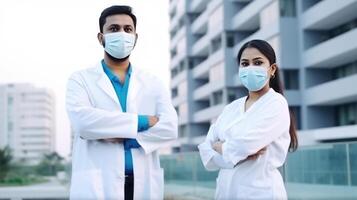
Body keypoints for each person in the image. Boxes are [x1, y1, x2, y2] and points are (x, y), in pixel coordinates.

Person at [66, 5, 178, 200]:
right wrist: (143, 122)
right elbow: (83, 123)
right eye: (113, 28)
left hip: (142, 184)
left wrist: (122, 135)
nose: (122, 34)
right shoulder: (80, 79)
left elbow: (170, 128)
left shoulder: (153, 82)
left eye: (128, 29)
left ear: (135, 38)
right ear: (101, 38)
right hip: (98, 185)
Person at [198, 39, 298, 199]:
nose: (250, 68)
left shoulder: (276, 103)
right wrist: (232, 151)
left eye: (258, 62)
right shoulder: (231, 108)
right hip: (226, 192)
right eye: (245, 64)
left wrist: (221, 147)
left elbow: (245, 144)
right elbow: (206, 151)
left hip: (260, 192)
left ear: (272, 69)